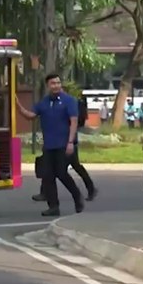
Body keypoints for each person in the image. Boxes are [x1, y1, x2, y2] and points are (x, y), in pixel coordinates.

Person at [16, 73, 85, 216]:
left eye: (58, 83)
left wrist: (70, 142)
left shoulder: (69, 101)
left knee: (62, 173)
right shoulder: (44, 102)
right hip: (49, 146)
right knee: (47, 176)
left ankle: (77, 197)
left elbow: (73, 122)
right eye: (53, 83)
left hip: (63, 144)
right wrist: (17, 105)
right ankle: (53, 206)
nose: (56, 86)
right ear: (48, 86)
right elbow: (31, 115)